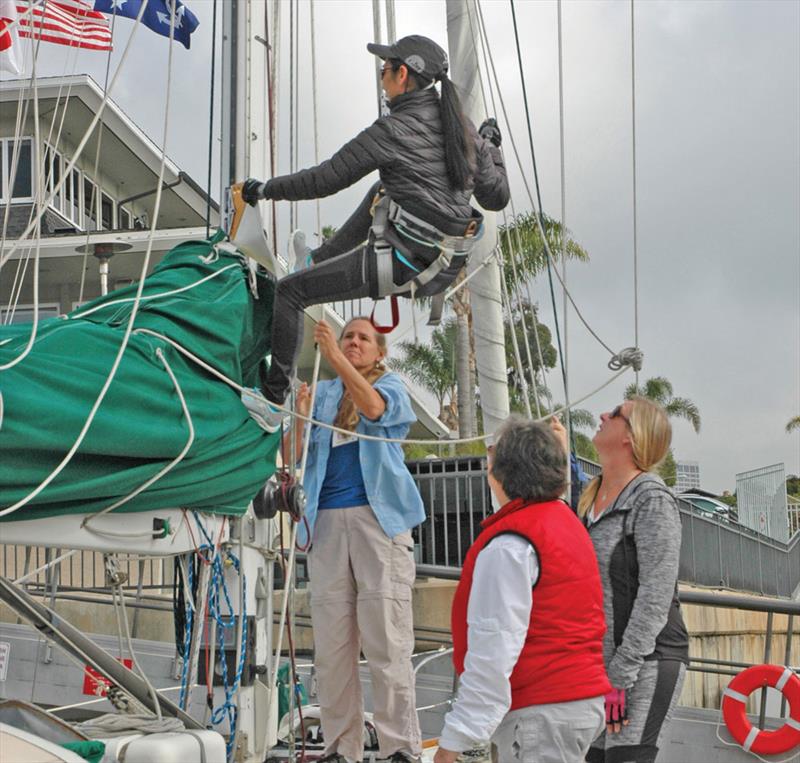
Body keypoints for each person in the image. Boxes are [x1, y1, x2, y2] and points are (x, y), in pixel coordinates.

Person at [241, 35, 509, 428]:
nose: (381, 77)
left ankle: (273, 400)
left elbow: (324, 179)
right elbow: (497, 195)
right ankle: (317, 258)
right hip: (444, 261)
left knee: (291, 292)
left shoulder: (393, 130)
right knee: (381, 191)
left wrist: (264, 190)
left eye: (385, 69)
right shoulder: (464, 131)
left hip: (404, 262)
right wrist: (491, 145)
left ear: (403, 75)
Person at [286, 317, 425, 763]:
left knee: (386, 639)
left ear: (379, 351)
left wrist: (337, 360)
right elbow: (293, 457)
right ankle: (341, 747)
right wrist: (301, 420)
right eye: (349, 336)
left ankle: (399, 747)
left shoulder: (391, 385)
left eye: (363, 338)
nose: (354, 342)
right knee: (332, 646)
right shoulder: (323, 393)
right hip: (324, 522)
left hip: (376, 521)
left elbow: (374, 411)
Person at [435, 416, 610, 763]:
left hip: (541, 708)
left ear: (499, 474)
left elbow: (494, 647)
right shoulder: (567, 525)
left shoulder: (511, 544)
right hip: (577, 700)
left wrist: (454, 741)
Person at [579, 398, 690, 763]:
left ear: (630, 435)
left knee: (625, 757)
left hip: (645, 666)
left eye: (614, 414)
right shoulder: (592, 500)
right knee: (595, 758)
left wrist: (620, 677)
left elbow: (655, 596)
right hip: (606, 673)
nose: (602, 416)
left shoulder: (652, 500)